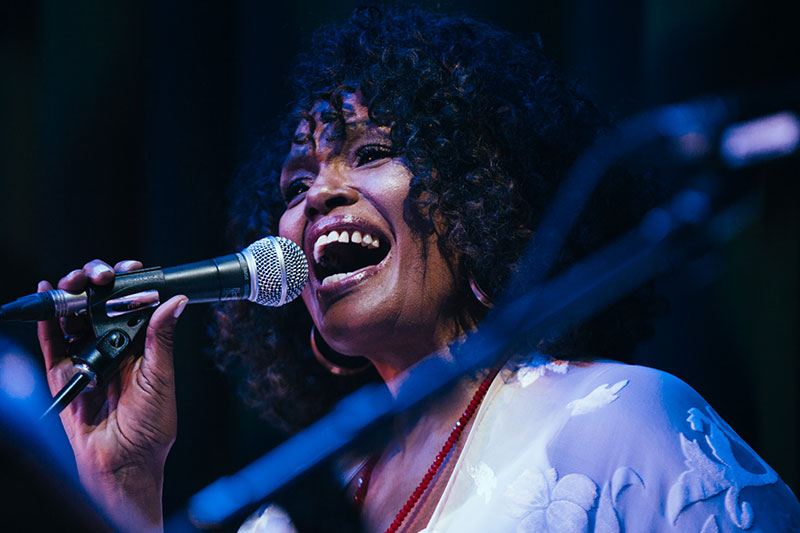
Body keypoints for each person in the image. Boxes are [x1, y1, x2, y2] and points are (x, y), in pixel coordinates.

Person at [37, 6, 799, 532]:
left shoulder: (619, 422)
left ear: (479, 198)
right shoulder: (284, 515)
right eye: (295, 186)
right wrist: (125, 483)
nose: (318, 195)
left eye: (371, 152)